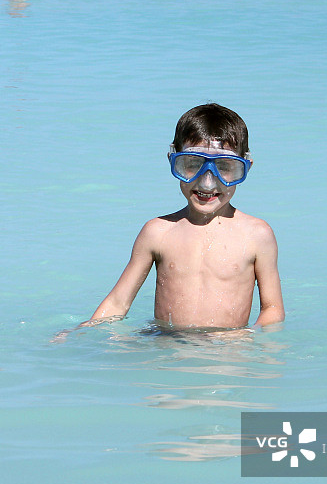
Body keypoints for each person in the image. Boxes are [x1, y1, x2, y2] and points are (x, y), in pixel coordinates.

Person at [55, 104, 285, 340]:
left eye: (225, 167)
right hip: (166, 344)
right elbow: (118, 302)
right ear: (173, 161)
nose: (207, 183)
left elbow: (273, 310)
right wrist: (80, 332)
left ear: (245, 168)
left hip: (226, 354)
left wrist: (246, 336)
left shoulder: (256, 235)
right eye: (192, 164)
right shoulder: (157, 232)